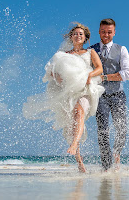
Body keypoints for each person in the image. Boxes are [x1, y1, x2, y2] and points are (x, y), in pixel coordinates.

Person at [23, 23, 104, 173]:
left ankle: (73, 145)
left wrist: (89, 75)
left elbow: (99, 68)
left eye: (81, 34)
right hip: (69, 92)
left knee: (79, 112)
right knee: (72, 125)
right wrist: (57, 77)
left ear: (85, 38)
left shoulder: (90, 52)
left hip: (86, 89)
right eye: (75, 34)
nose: (78, 36)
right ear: (71, 37)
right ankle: (80, 162)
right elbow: (52, 71)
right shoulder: (63, 55)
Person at [90, 19, 129, 170]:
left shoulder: (121, 50)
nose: (106, 34)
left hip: (118, 95)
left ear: (114, 32)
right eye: (103, 31)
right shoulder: (91, 50)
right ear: (99, 32)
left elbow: (127, 74)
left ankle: (117, 155)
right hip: (99, 96)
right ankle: (106, 167)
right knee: (102, 131)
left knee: (121, 129)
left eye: (109, 32)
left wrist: (106, 77)